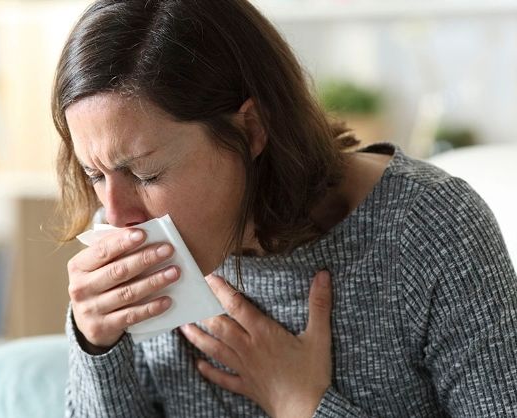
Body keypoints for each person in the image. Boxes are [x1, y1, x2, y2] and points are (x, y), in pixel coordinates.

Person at [50, 1, 517, 417]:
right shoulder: (126, 241)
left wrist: (302, 404)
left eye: (146, 174)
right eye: (95, 175)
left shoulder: (430, 227)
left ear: (252, 128)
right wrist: (97, 345)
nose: (115, 216)